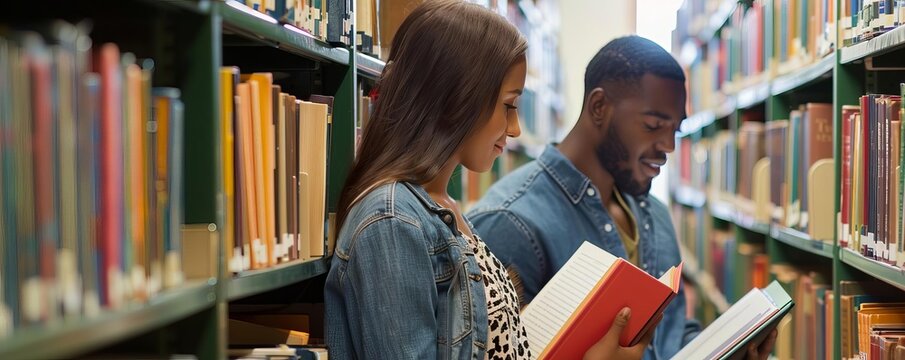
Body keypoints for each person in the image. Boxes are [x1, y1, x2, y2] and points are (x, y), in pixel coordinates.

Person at [324, 2, 657, 359]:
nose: (514, 129)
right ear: (457, 98)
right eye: (508, 106)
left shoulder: (443, 207)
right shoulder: (392, 221)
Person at [468, 35, 777, 360]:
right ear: (599, 107)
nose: (668, 146)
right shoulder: (510, 221)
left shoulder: (654, 213)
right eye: (653, 125)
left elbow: (669, 337)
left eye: (675, 130)